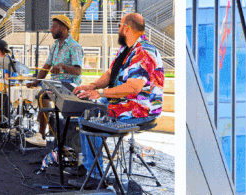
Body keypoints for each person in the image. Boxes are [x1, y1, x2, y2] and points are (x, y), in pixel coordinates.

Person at [70, 13, 164, 189]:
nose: (118, 29)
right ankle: (91, 168)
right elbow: (109, 74)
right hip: (123, 103)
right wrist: (92, 86)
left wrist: (101, 93)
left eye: (119, 26)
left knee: (91, 118)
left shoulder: (144, 51)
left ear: (126, 28)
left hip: (140, 109)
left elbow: (133, 87)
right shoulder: (127, 49)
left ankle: (96, 175)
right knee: (86, 112)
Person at [29, 14, 85, 147]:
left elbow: (78, 71)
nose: (51, 30)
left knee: (44, 96)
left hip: (69, 84)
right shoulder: (54, 46)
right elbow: (46, 66)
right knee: (42, 95)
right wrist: (35, 82)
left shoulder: (74, 46)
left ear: (64, 28)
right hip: (55, 84)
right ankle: (41, 135)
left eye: (54, 27)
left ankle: (54, 135)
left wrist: (63, 66)